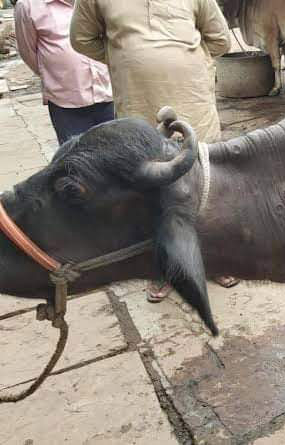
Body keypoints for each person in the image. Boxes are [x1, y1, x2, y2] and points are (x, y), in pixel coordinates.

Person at [70, 0, 239, 301]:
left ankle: (214, 260)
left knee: (206, 183)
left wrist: (185, 63)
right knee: (151, 191)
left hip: (194, 104)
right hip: (139, 105)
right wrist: (124, 59)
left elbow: (220, 39)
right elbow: (82, 39)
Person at [14, 0, 114, 145]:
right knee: (76, 158)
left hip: (108, 93)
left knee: (116, 155)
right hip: (65, 101)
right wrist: (55, 76)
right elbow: (28, 51)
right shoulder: (28, 5)